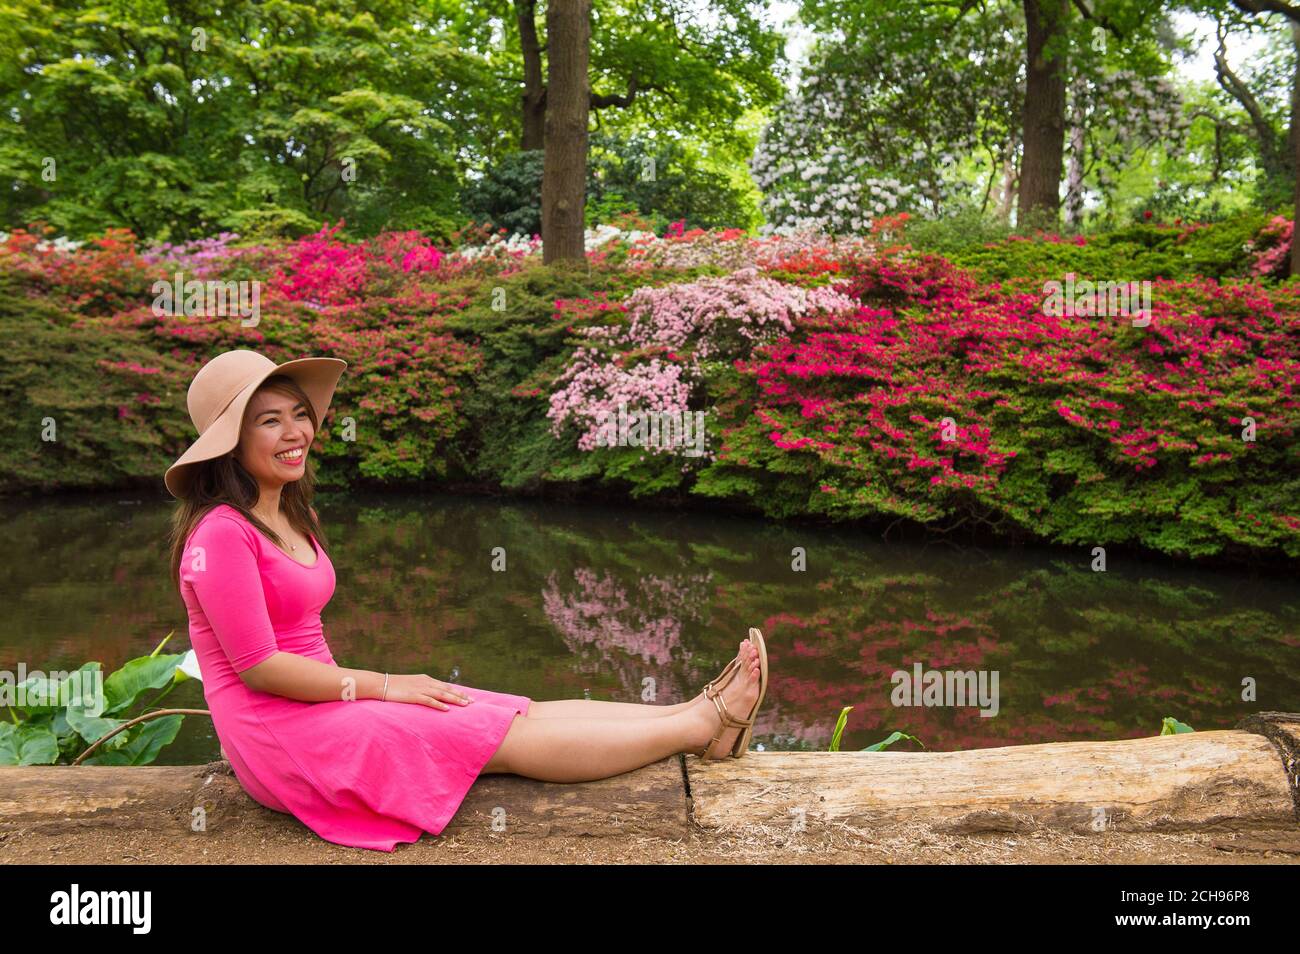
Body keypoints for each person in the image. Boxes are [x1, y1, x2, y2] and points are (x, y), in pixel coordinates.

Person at [165, 349, 769, 852]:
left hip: (320, 702)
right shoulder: (221, 532)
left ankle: (697, 713)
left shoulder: (289, 512)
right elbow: (259, 667)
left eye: (300, 414)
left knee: (508, 708)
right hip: (277, 732)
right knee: (489, 738)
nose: (296, 432)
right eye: (270, 421)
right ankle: (699, 727)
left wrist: (375, 689)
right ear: (231, 442)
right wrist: (384, 684)